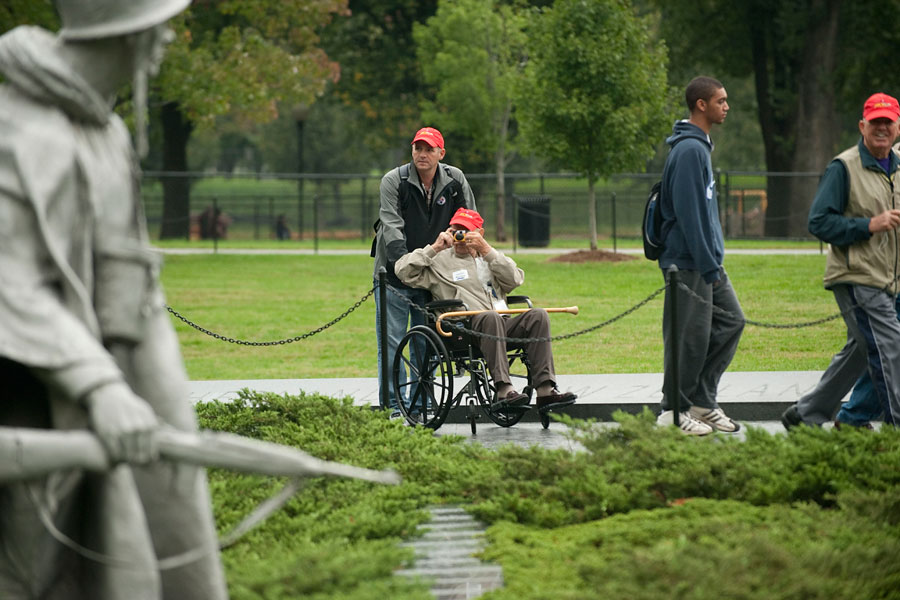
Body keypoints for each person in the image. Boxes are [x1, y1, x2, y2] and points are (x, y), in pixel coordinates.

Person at [0, 2, 228, 598]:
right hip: (36, 395)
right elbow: (8, 282)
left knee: (174, 543)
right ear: (127, 32)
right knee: (40, 567)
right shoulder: (15, 132)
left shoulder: (108, 131)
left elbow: (124, 270)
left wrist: (159, 396)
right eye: (161, 20)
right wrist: (100, 385)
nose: (170, 33)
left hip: (125, 384)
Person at [782, 92, 900, 430]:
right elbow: (818, 222)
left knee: (863, 349)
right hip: (858, 277)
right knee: (889, 349)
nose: (881, 128)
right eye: (875, 122)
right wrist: (868, 225)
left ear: (897, 127)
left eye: (887, 122)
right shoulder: (843, 167)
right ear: (862, 126)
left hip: (891, 280)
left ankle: (806, 414)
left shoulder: (898, 166)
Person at [395, 208, 577, 411]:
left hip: (501, 325)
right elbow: (402, 271)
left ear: (480, 233)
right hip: (461, 329)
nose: (460, 237)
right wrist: (435, 248)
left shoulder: (490, 257)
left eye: (466, 231)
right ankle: (503, 389)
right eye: (456, 230)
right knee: (491, 318)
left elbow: (515, 279)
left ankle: (545, 390)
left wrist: (487, 250)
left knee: (538, 315)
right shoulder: (439, 260)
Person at [655, 76, 744, 435]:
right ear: (701, 105)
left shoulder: (699, 147)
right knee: (688, 339)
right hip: (688, 264)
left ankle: (702, 403)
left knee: (731, 322)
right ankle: (671, 413)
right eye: (721, 101)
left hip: (705, 262)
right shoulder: (690, 151)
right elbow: (691, 216)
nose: (727, 106)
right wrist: (710, 266)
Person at [371, 127, 476, 414]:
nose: (422, 154)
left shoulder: (455, 179)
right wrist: (405, 265)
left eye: (429, 149)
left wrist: (457, 247)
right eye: (418, 148)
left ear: (441, 154)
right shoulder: (394, 181)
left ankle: (421, 404)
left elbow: (470, 221)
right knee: (392, 342)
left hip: (433, 276)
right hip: (393, 274)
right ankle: (394, 405)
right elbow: (391, 229)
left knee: (425, 343)